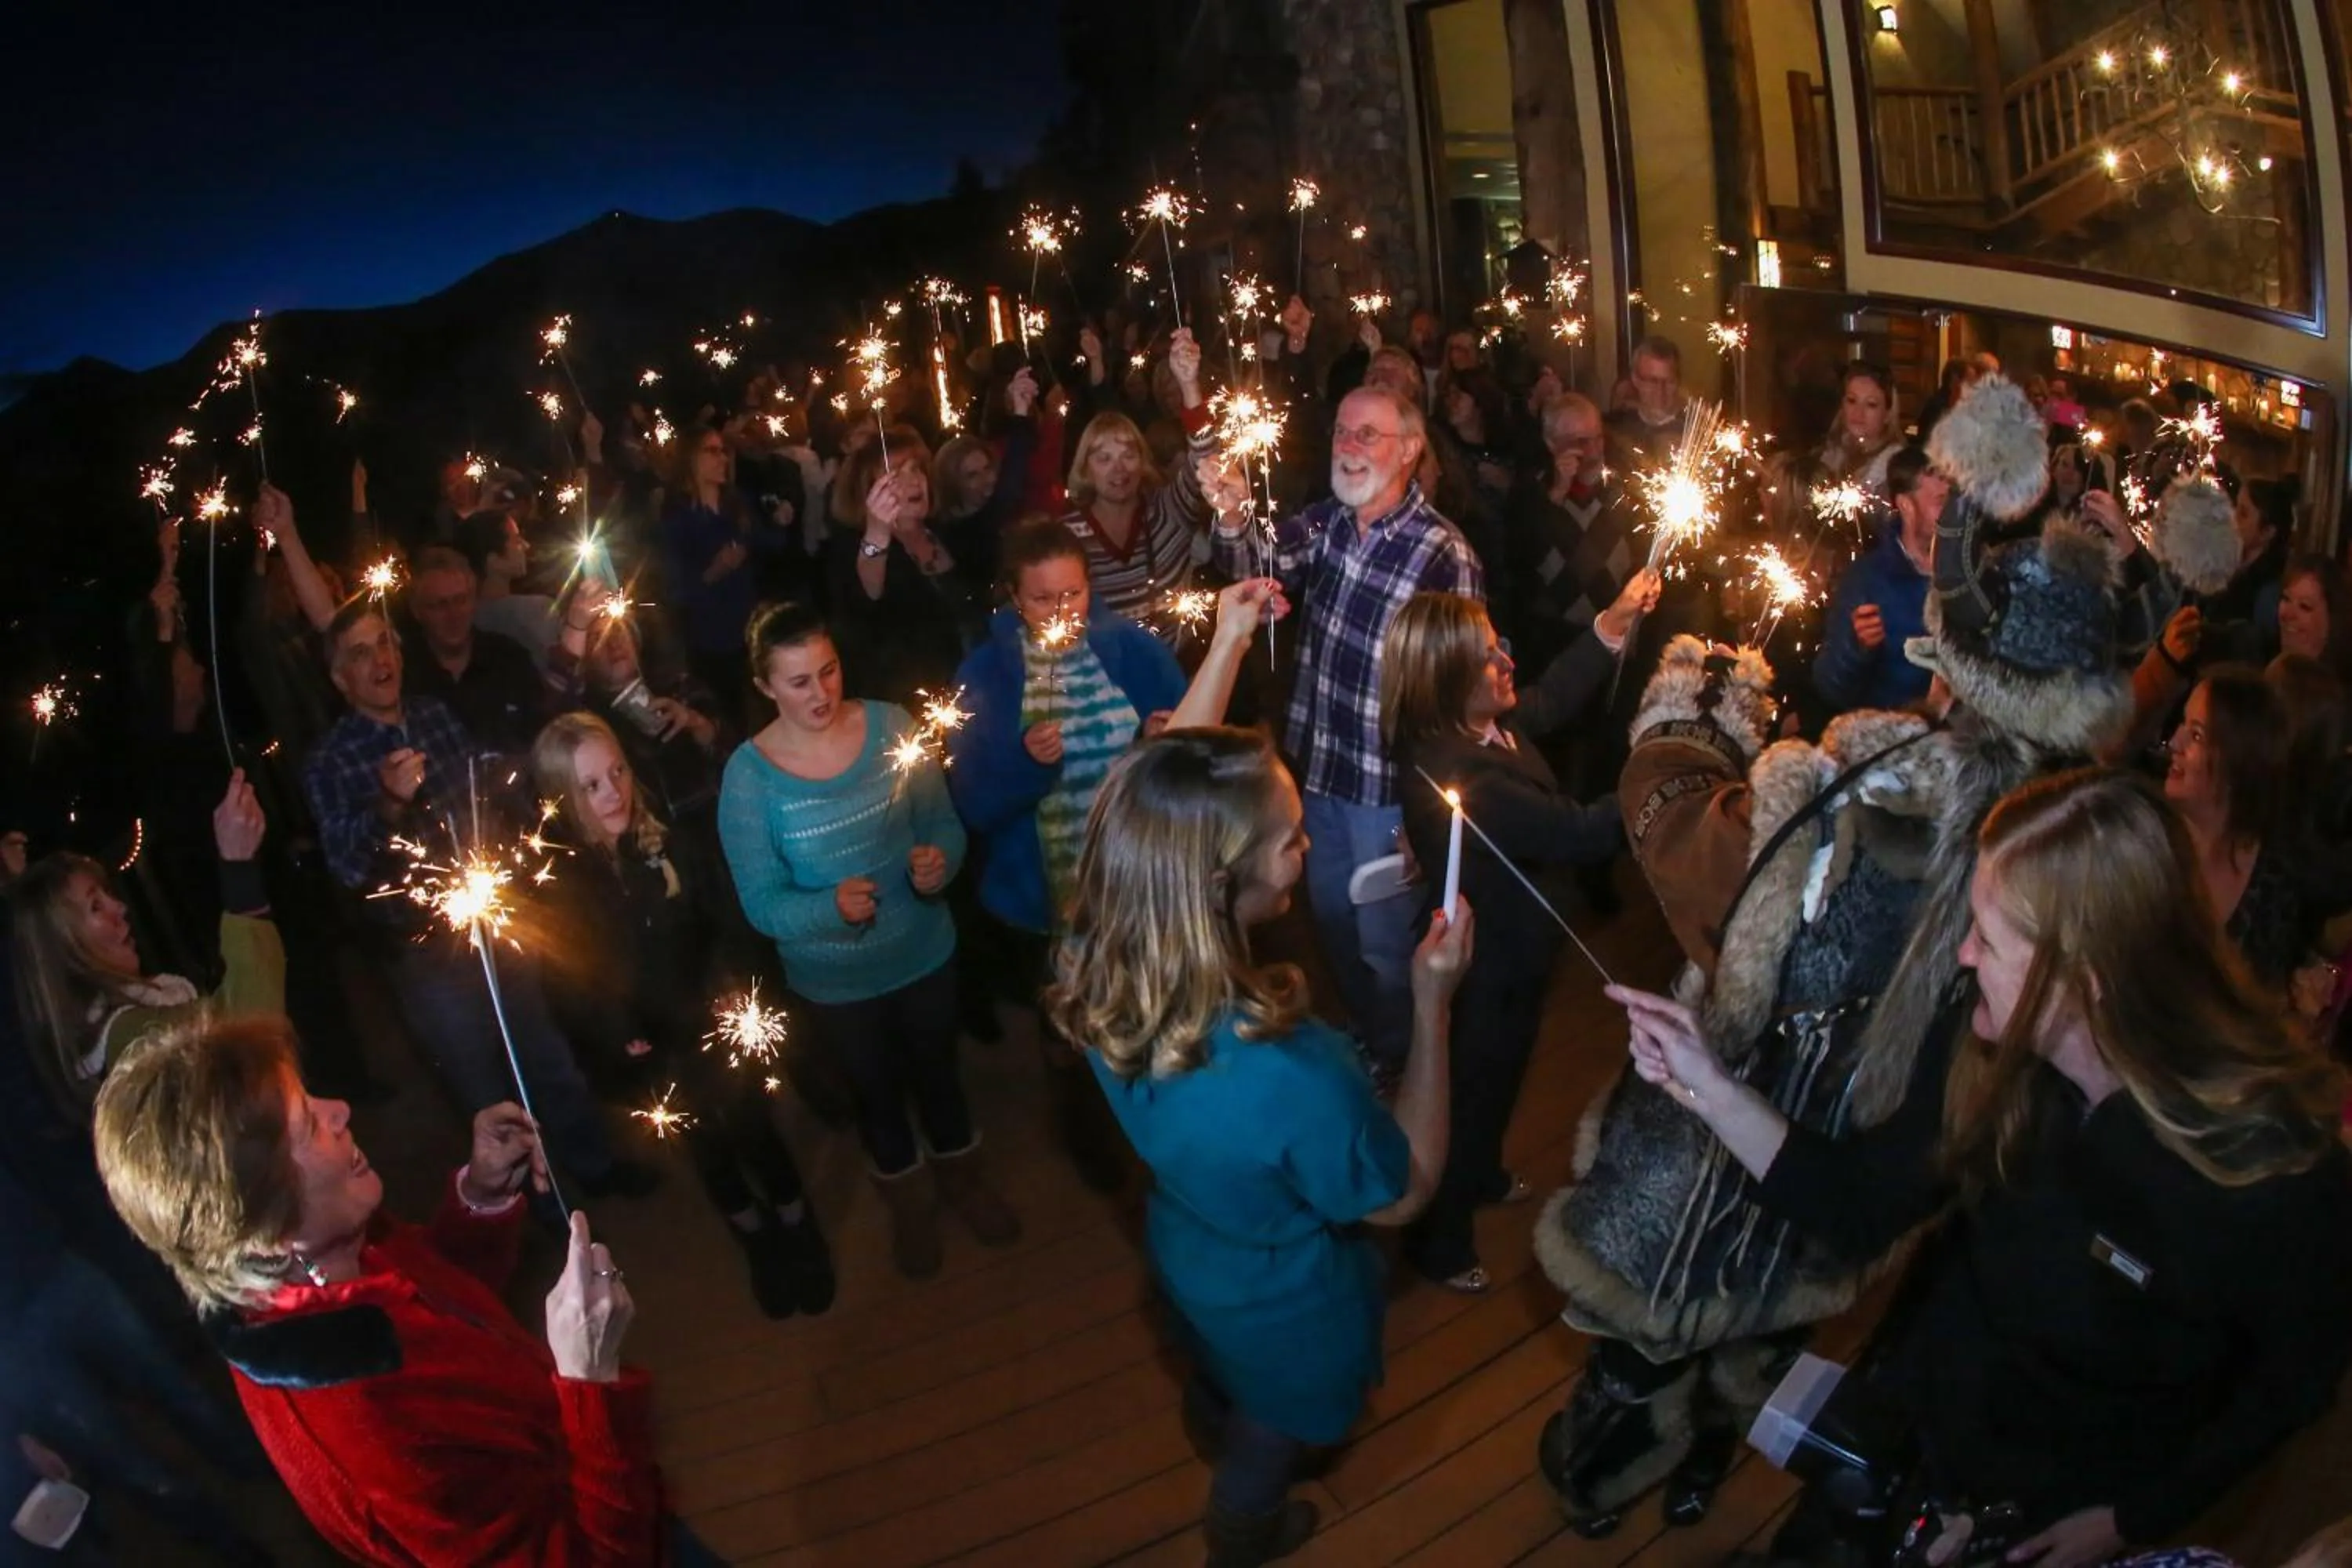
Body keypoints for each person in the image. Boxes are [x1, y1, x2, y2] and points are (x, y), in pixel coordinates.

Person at [1532, 374, 2228, 1535]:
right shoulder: (2082, 856)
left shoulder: (1859, 794)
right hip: (1854, 1187)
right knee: (1763, 1337)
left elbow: (1713, 886)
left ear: (1952, 664)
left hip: (1730, 1150)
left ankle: (1599, 1479)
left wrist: (1681, 734)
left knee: (1648, 1338)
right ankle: (1708, 1467)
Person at [1613, 767, 2352, 1563]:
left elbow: (2295, 1381)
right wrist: (1708, 1083)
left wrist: (2133, 1517)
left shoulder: (2273, 1175)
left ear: (2084, 976)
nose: (1963, 957)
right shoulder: (1992, 1042)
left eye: (1989, 938)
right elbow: (1862, 1206)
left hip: (2053, 1505)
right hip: (1916, 1435)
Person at [1045, 728, 1472, 1566]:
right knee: (1268, 1439)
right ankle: (1242, 1535)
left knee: (1219, 1374)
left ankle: (1213, 1411)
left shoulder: (1092, 953)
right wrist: (1433, 1005)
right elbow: (1409, 1186)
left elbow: (1155, 792)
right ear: (1217, 879)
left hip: (1192, 1249)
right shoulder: (1286, 1071)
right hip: (1287, 1305)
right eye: (1290, 838)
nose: (1304, 849)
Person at [89, 1015, 713, 1566]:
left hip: (607, 1493)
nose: (340, 1109)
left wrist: (483, 1199)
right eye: (308, 1123)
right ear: (267, 1228)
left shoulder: (318, 1265)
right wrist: (591, 1385)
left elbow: (434, 1309)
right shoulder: (369, 1429)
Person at [949, 517, 1286, 1190]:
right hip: (1046, 904)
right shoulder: (985, 677)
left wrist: (1162, 734)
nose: (1062, 611)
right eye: (1043, 599)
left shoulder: (1130, 649)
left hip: (1143, 891)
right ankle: (1094, 1139)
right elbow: (972, 807)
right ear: (1015, 599)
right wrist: (1023, 765)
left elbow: (1193, 744)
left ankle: (1165, 1130)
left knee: (1155, 1006)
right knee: (1071, 1031)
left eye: (1072, 594)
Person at [302, 601, 651, 1197]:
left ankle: (596, 1167)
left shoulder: (435, 714)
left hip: (496, 920)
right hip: (427, 955)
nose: (380, 659)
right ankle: (532, 1209)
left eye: (386, 642)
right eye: (360, 653)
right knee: (485, 1087)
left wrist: (546, 763)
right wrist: (387, 805)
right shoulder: (331, 761)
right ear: (339, 679)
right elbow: (348, 866)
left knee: (546, 1055)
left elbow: (488, 779)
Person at [717, 601, 1018, 1278]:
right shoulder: (749, 778)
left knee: (941, 1075)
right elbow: (761, 904)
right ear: (765, 686)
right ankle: (908, 1202)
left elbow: (942, 822)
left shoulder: (891, 726)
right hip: (836, 985)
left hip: (923, 953)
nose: (820, 693)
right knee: (876, 1093)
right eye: (798, 681)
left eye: (828, 671)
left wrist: (939, 863)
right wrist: (827, 908)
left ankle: (963, 1179)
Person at [1202, 385, 1483, 1073]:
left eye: (1368, 435)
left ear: (1410, 450)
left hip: (1388, 794)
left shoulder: (1444, 555)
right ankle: (1375, 1037)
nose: (1349, 447)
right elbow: (1258, 570)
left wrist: (1432, 820)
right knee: (1330, 924)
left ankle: (1410, 1061)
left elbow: (1465, 702)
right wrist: (1236, 514)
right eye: (1342, 433)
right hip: (1319, 778)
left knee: (1388, 946)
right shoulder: (1327, 524)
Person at [532, 713, 833, 1320]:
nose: (613, 792)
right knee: (703, 1142)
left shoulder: (669, 843)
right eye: (590, 785)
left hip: (712, 1022)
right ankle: (754, 1235)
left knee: (753, 1125)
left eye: (616, 771)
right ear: (562, 799)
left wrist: (728, 986)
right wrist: (618, 1031)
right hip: (653, 1048)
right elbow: (570, 979)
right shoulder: (562, 884)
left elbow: (724, 924)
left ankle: (796, 1221)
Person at [1382, 592, 1627, 1292]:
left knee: (1503, 1075)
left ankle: (1482, 1172)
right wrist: (1666, 779)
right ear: (1445, 679)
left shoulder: (1489, 727)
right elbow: (1580, 834)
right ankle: (1441, 1241)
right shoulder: (1468, 774)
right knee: (1473, 1091)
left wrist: (1610, 624)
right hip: (1482, 967)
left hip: (1520, 950)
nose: (1506, 662)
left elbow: (1547, 702)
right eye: (1488, 657)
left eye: (1500, 645)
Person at [10, 771, 280, 1112]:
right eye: (96, 906)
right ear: (64, 947)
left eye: (108, 895)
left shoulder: (143, 1007)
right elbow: (251, 1036)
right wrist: (238, 868)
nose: (120, 909)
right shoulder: (127, 1042)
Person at [2163, 666, 2322, 990]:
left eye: (2196, 735)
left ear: (2236, 763)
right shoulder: (2139, 837)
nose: (2173, 743)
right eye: (2182, 724)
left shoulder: (2275, 883)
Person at [1056, 328, 1215, 637]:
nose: (1119, 469)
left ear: (1143, 461)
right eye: (1104, 458)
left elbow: (1206, 460)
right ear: (1085, 470)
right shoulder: (1066, 538)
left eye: (1129, 455)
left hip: (1177, 675)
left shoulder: (1170, 510)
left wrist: (1188, 384)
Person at [825, 429, 968, 702]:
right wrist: (877, 532)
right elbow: (863, 597)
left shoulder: (943, 531)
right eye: (895, 475)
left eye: (916, 469)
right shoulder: (853, 548)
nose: (913, 480)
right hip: (906, 704)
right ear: (869, 491)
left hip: (967, 689)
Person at [1811, 446, 1949, 715]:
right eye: (1941, 501)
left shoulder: (1976, 573)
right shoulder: (1868, 581)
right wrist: (1857, 646)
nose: (1954, 513)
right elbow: (1830, 687)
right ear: (1907, 506)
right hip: (1894, 740)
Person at [661, 424, 783, 724]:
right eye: (712, 451)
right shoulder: (678, 520)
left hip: (751, 626)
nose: (723, 459)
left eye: (724, 452)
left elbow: (772, 544)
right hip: (712, 638)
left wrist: (779, 522)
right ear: (691, 459)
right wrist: (713, 573)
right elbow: (674, 590)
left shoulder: (737, 504)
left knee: (770, 707)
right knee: (731, 718)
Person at [400, 546, 552, 757]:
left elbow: (545, 735)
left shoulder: (510, 658)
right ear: (417, 611)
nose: (453, 615)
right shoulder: (403, 675)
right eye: (439, 605)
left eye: (460, 600)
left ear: (474, 601)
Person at [457, 510, 561, 670]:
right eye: (517, 540)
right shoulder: (538, 610)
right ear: (494, 561)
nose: (526, 546)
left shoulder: (462, 618)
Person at [1605, 336, 1689, 466]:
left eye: (1669, 382)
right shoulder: (1614, 430)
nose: (1660, 391)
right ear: (1635, 380)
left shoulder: (1695, 432)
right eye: (1652, 382)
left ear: (1678, 381)